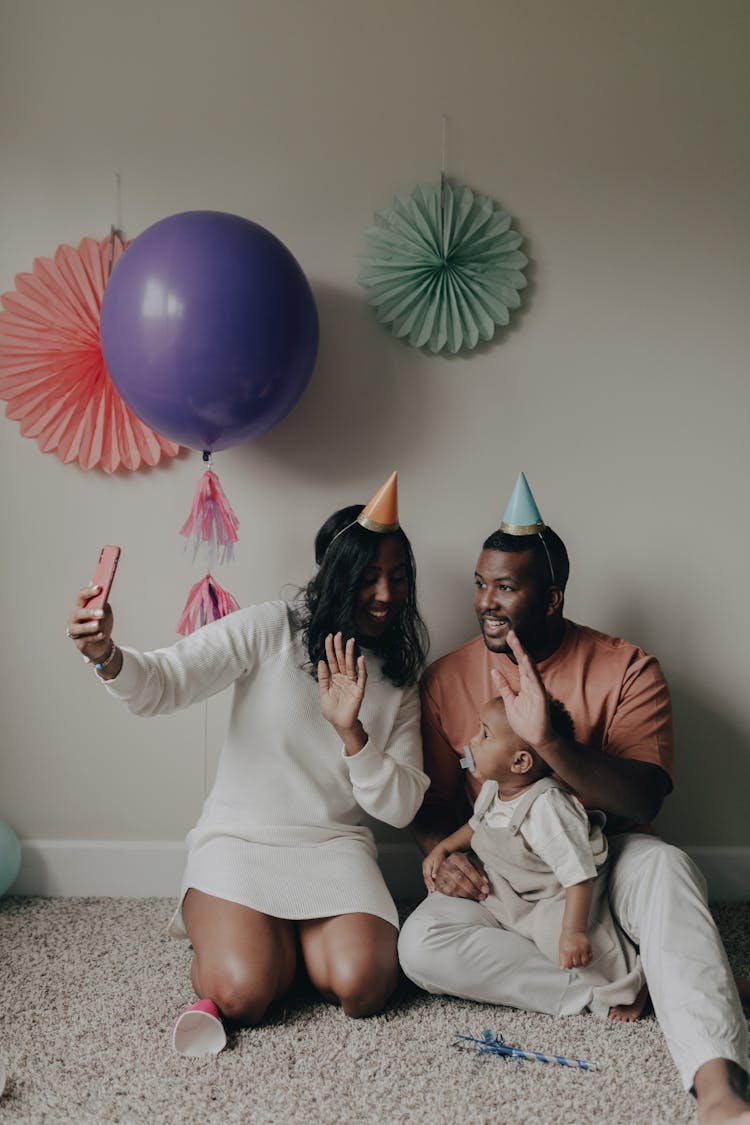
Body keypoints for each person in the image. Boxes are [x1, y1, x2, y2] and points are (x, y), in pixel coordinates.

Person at [398, 473, 750, 1123]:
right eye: (481, 584)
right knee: (420, 943)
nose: (486, 602)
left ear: (552, 597)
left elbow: (645, 800)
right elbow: (436, 801)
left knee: (671, 869)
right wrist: (440, 852)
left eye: (506, 586)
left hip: (605, 857)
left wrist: (551, 742)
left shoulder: (627, 667)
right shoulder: (448, 677)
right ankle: (635, 983)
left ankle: (718, 1086)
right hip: (509, 881)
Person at [66, 472, 430, 1052]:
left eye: (398, 578)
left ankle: (281, 942)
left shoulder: (398, 675)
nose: (386, 594)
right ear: (335, 579)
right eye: (367, 578)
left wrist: (352, 732)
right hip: (241, 841)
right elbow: (164, 682)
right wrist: (107, 655)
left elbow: (404, 803)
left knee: (365, 988)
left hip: (333, 849)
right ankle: (240, 937)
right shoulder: (272, 629)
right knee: (245, 994)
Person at [421, 694, 647, 1021]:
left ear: (521, 763)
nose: (472, 741)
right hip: (517, 886)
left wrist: (573, 932)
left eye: (485, 734)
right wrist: (443, 848)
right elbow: (476, 826)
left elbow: (578, 875)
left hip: (559, 892)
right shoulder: (493, 788)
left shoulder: (548, 808)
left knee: (575, 945)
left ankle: (632, 983)